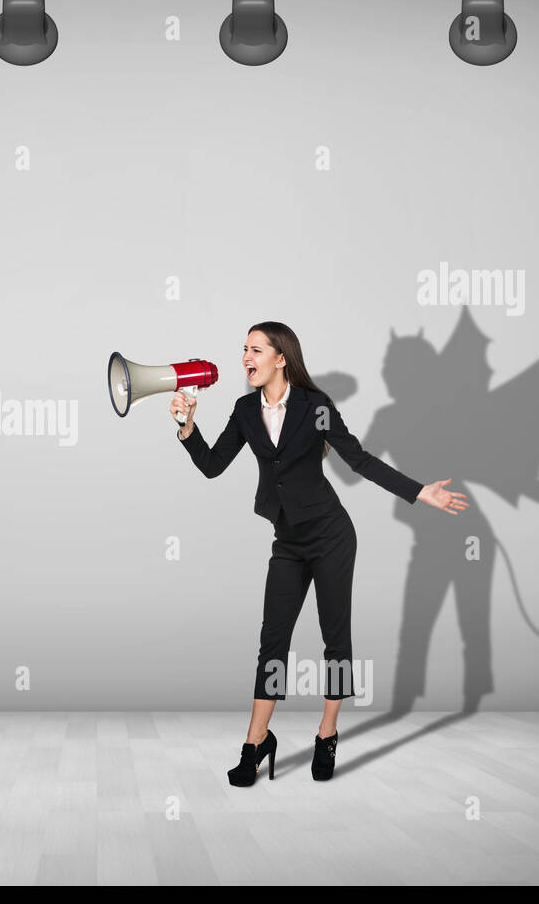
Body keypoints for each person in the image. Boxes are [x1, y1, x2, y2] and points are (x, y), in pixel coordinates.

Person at [172, 321, 467, 785]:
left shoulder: (317, 407)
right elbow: (212, 466)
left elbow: (359, 459)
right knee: (272, 643)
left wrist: (419, 492)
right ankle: (255, 743)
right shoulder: (245, 410)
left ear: (280, 358)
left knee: (336, 639)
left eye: (255, 349)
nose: (245, 357)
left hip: (331, 536)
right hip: (287, 541)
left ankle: (327, 734)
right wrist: (187, 426)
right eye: (243, 350)